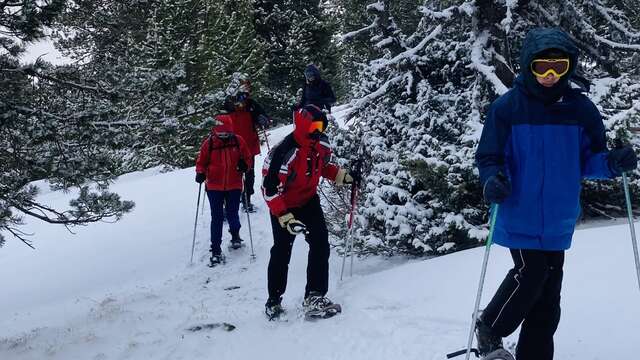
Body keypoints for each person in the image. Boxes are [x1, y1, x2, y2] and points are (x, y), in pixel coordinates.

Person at [475, 28, 638, 360]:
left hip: (558, 217)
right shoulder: (508, 108)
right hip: (519, 211)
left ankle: (534, 354)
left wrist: (612, 163)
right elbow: (489, 156)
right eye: (541, 67)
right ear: (527, 66)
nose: (550, 76)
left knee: (548, 295)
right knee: (532, 274)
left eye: (558, 67)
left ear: (569, 67)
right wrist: (492, 178)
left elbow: (589, 160)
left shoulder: (581, 110)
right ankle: (490, 327)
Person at [261, 104, 360, 320]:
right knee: (281, 251)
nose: (319, 130)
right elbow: (268, 189)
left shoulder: (320, 143)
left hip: (308, 201)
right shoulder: (283, 153)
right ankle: (274, 301)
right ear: (304, 124)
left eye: (321, 125)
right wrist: (284, 217)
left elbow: (324, 166)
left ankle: (314, 296)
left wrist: (342, 176)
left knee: (320, 243)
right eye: (315, 125)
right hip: (284, 204)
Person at [195, 115, 253, 267]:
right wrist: (200, 172)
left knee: (233, 212)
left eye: (226, 133)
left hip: (234, 184)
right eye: (220, 134)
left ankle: (235, 235)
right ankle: (215, 250)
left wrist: (244, 165)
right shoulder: (209, 143)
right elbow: (201, 162)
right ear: (215, 131)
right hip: (214, 186)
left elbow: (248, 158)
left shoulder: (238, 141)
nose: (224, 136)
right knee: (217, 217)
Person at [223, 80, 270, 212]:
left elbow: (264, 117)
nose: (243, 99)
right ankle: (227, 204)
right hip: (230, 147)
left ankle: (246, 199)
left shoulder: (251, 105)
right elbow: (218, 123)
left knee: (249, 174)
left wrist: (263, 119)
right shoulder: (227, 106)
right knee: (230, 175)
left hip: (248, 146)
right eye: (241, 95)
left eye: (246, 95)